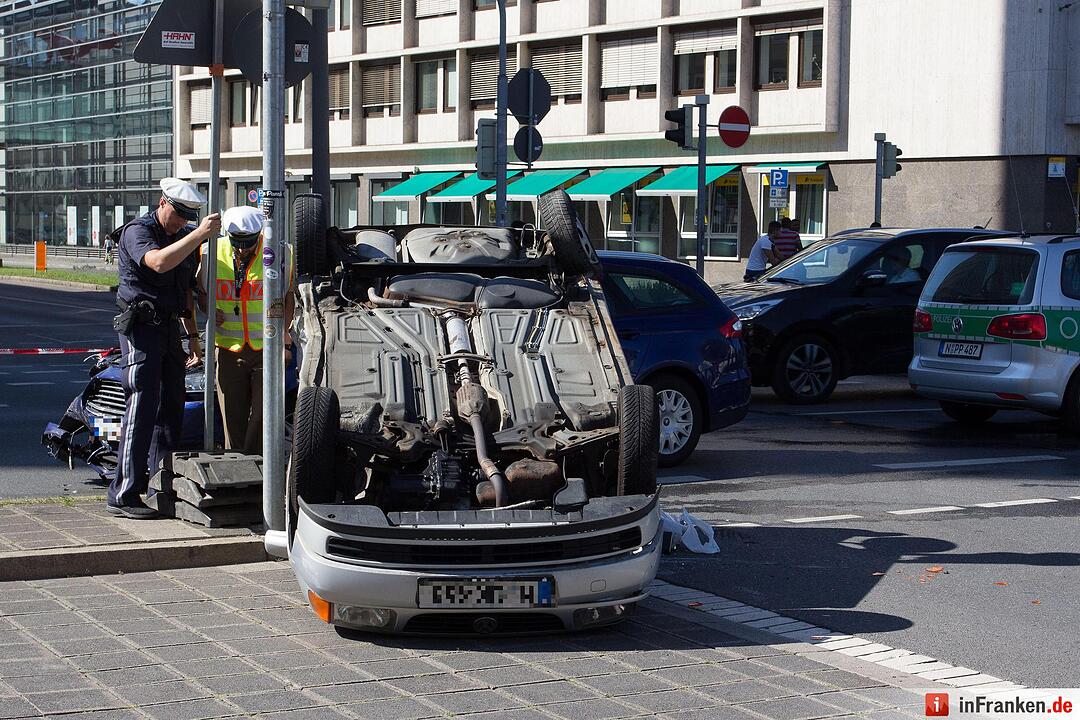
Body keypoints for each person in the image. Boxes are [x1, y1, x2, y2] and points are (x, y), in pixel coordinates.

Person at [109, 178, 221, 519]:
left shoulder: (182, 238)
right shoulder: (137, 231)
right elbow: (157, 263)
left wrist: (194, 338)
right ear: (162, 203)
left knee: (171, 410)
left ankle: (161, 486)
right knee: (141, 408)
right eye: (177, 214)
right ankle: (123, 494)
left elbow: (185, 292)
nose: (180, 222)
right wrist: (198, 234)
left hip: (170, 328)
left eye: (187, 218)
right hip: (141, 329)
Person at [196, 206, 295, 455]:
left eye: (249, 243)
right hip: (229, 347)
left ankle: (257, 465)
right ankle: (236, 463)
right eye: (237, 243)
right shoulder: (211, 252)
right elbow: (200, 293)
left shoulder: (280, 252)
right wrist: (208, 308)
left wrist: (285, 340)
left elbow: (288, 297)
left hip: (267, 347)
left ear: (260, 234)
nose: (242, 249)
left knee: (264, 413)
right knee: (232, 414)